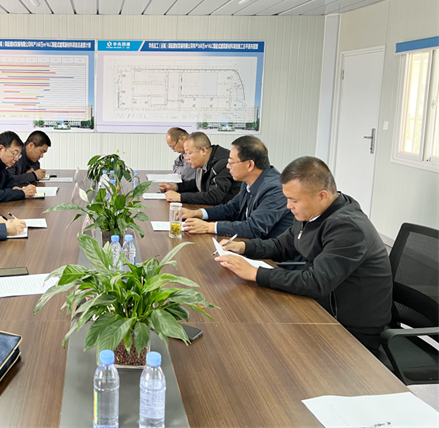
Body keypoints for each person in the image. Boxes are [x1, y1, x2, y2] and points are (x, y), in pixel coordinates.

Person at [216, 157, 392, 354]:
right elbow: (282, 245)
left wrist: (255, 273)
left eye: (294, 200)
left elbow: (316, 282)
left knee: (266, 349)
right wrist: (243, 247)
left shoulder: (348, 228)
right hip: (320, 307)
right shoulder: (313, 212)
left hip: (350, 329)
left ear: (322, 196)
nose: (288, 206)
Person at [182, 136, 293, 239]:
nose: (227, 166)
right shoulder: (249, 180)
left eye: (231, 162)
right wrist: (196, 213)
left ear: (249, 165)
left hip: (271, 252)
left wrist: (209, 227)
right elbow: (231, 209)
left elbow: (254, 228)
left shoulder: (276, 189)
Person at [159, 131, 240, 205]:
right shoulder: (205, 160)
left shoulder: (223, 164)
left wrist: (180, 197)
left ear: (203, 151)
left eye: (189, 153)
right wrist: (175, 187)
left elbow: (214, 196)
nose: (187, 158)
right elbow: (199, 182)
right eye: (186, 154)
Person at [0, 131, 36, 208]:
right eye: (15, 153)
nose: (16, 159)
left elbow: (8, 180)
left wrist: (15, 187)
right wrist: (21, 193)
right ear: (1, 149)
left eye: (18, 155)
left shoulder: (0, 162)